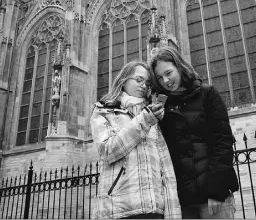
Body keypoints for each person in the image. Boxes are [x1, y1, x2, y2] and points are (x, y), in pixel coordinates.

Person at [149, 47, 239, 219]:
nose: (166, 81)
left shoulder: (207, 94)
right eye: (160, 78)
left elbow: (224, 141)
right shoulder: (162, 107)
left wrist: (217, 189)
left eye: (168, 73)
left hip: (212, 194)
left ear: (179, 67)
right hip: (182, 200)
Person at [90, 61, 181, 219]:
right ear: (123, 80)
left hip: (154, 210)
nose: (144, 85)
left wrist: (173, 214)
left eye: (147, 82)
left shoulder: (152, 114)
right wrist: (145, 119)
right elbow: (107, 151)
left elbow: (165, 169)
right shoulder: (104, 110)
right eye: (139, 80)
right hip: (119, 210)